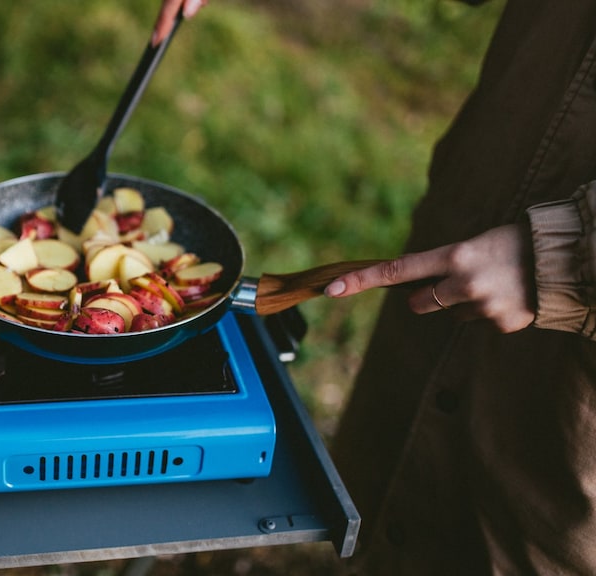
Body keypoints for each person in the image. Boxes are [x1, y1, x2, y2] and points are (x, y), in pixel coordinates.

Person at [157, 0, 596, 573]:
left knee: (513, 538)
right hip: (476, 200)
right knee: (388, 492)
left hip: (572, 349)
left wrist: (558, 261)